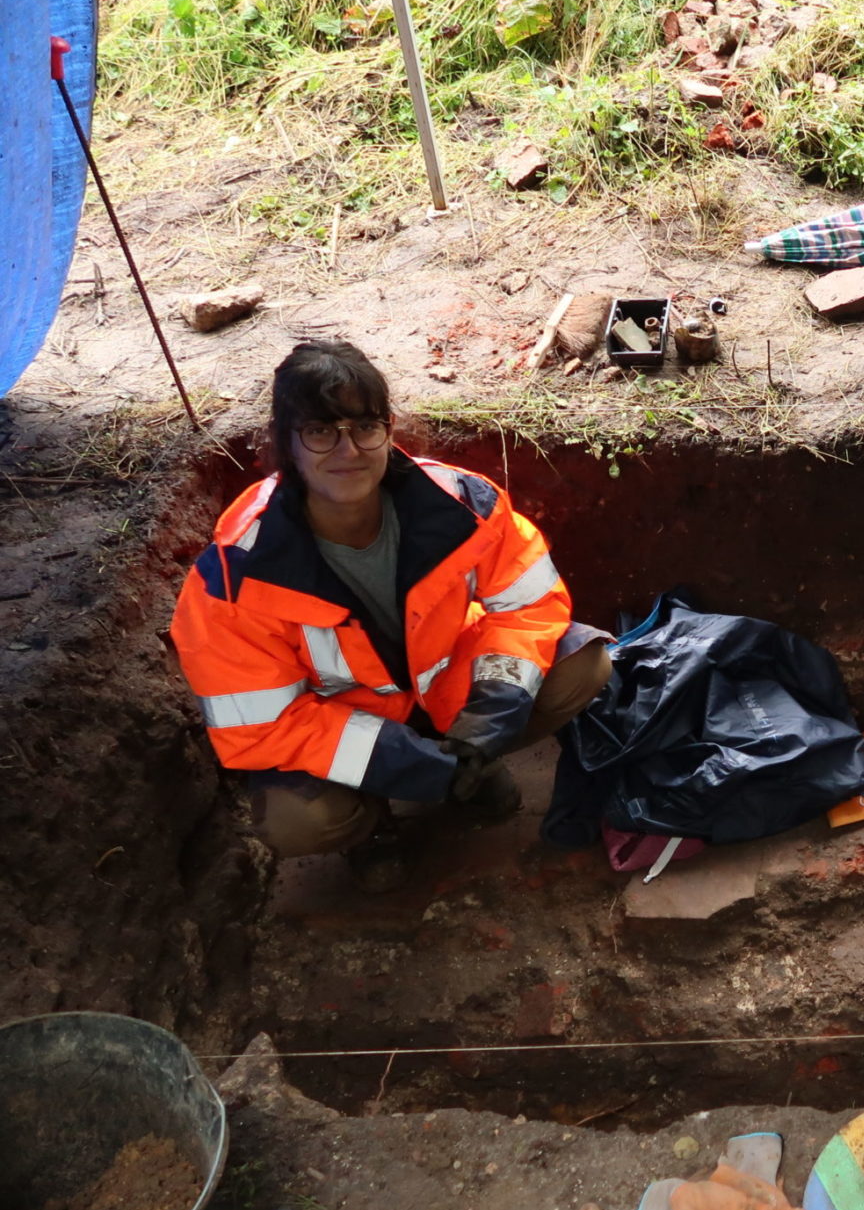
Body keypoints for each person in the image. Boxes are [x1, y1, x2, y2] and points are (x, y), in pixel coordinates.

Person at [171, 339, 611, 890]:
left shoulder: (460, 506)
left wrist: (487, 722)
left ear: (388, 429)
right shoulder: (236, 577)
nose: (347, 449)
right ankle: (374, 825)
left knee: (585, 666)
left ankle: (474, 768)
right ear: (287, 442)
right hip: (348, 737)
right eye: (320, 431)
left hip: (444, 698)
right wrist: (408, 764)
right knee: (298, 821)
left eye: (364, 427)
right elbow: (263, 726)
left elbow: (528, 609)